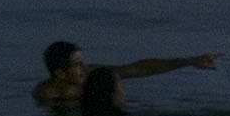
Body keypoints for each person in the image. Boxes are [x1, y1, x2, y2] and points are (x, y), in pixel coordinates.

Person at [32, 40, 218, 106]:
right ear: (60, 73)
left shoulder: (91, 74)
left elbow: (139, 68)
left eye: (83, 62)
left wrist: (189, 61)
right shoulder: (47, 93)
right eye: (77, 65)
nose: (85, 68)